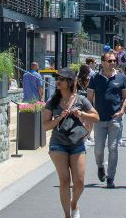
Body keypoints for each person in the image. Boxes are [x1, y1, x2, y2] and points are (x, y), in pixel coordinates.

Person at [43, 68, 100, 218]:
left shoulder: (81, 100)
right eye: (57, 79)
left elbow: (96, 117)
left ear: (69, 82)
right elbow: (45, 126)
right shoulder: (52, 101)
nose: (58, 81)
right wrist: (58, 119)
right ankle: (67, 215)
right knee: (64, 180)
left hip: (77, 143)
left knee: (79, 181)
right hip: (58, 144)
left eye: (61, 79)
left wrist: (82, 114)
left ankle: (74, 203)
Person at [87, 50, 126, 189]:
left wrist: (122, 110)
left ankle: (111, 177)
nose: (113, 63)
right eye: (110, 61)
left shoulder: (122, 77)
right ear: (103, 63)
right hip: (99, 119)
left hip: (115, 118)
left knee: (113, 148)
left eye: (114, 60)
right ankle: (100, 166)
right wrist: (90, 114)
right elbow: (89, 99)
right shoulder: (95, 78)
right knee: (99, 149)